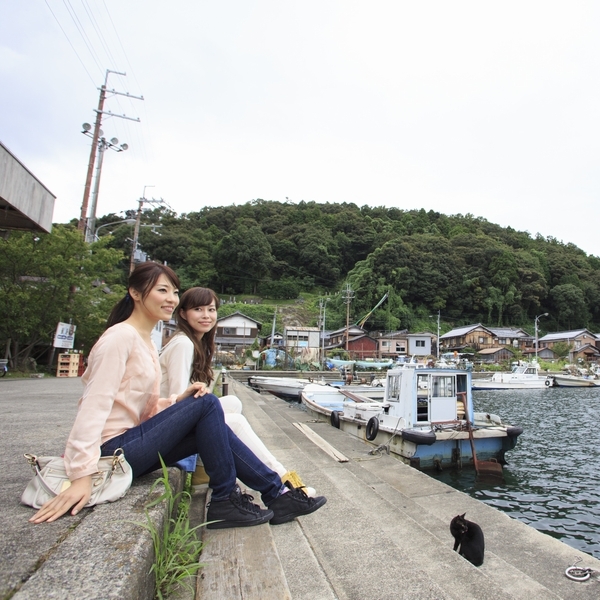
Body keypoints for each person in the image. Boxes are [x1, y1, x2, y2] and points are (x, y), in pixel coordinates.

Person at [29, 262, 326, 527]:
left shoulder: (145, 340)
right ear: (135, 293)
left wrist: (176, 401)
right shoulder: (120, 337)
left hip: (132, 442)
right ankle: (229, 498)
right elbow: (93, 406)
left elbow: (140, 407)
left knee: (207, 414)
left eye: (174, 292)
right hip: (113, 449)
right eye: (162, 291)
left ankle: (275, 495)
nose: (171, 298)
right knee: (208, 403)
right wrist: (81, 474)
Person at [159, 287, 316, 495]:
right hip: (165, 427)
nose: (206, 316)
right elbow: (179, 403)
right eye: (198, 309)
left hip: (169, 422)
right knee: (235, 422)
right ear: (183, 313)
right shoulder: (183, 344)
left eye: (211, 309)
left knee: (233, 402)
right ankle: (280, 479)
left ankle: (202, 471)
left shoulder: (193, 342)